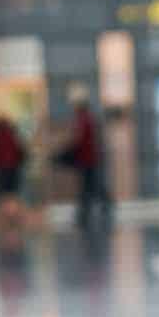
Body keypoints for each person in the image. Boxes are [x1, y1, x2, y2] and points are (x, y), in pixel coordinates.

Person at [60, 86, 111, 231]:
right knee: (90, 187)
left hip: (89, 160)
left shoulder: (84, 119)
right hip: (89, 160)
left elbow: (81, 141)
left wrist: (68, 153)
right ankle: (85, 213)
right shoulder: (86, 119)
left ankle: (84, 214)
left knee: (90, 187)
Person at [0, 111, 27, 222]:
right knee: (13, 193)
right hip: (13, 168)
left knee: (3, 194)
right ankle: (14, 215)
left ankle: (5, 216)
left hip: (1, 169)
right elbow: (20, 151)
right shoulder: (13, 134)